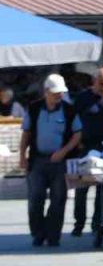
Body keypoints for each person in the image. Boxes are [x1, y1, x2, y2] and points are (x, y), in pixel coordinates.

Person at [19, 74, 82, 248]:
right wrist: (22, 156)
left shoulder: (69, 110)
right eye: (55, 92)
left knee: (58, 199)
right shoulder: (34, 109)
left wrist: (64, 151)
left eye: (61, 92)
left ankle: (53, 235)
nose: (59, 95)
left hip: (60, 162)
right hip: (37, 160)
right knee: (35, 199)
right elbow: (26, 133)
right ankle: (38, 234)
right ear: (46, 92)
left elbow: (77, 134)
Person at [71, 67, 103, 245]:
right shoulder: (83, 98)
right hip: (86, 145)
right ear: (94, 82)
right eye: (102, 83)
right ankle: (79, 223)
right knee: (82, 187)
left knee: (102, 188)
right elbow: (73, 120)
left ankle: (97, 223)